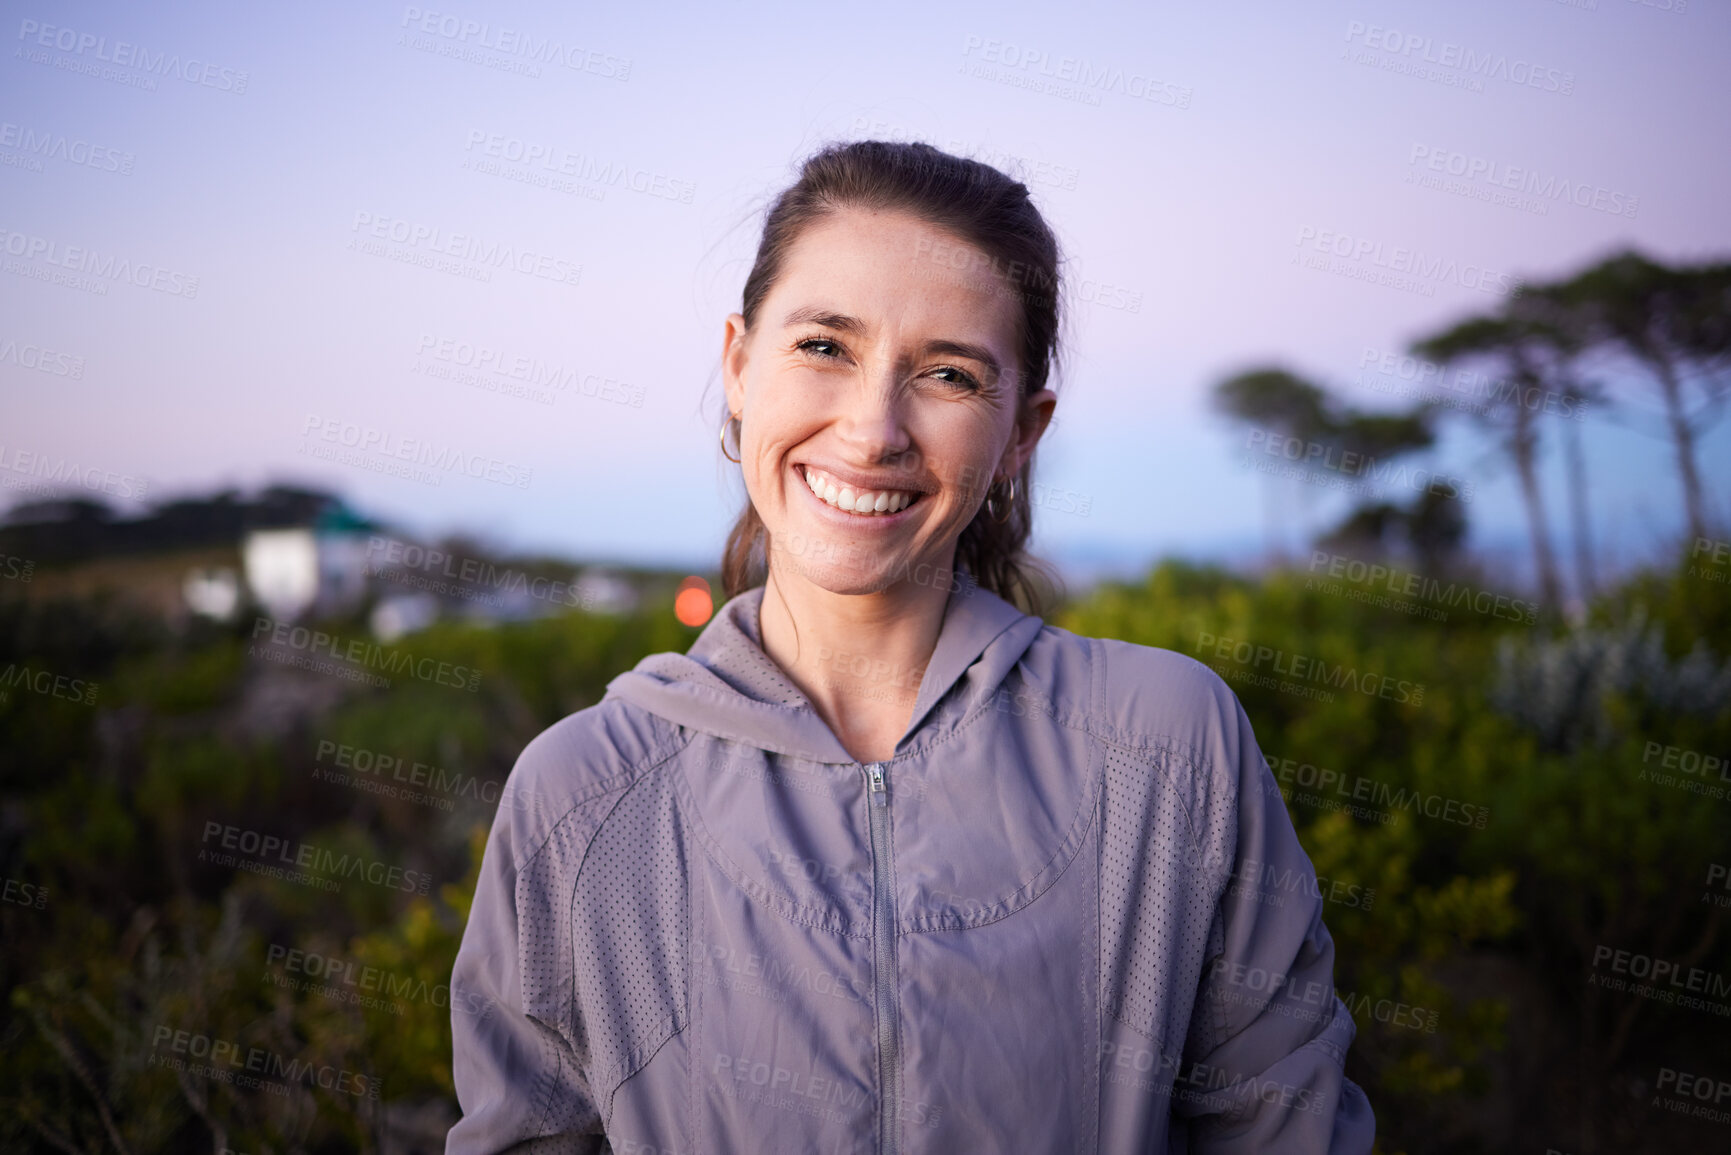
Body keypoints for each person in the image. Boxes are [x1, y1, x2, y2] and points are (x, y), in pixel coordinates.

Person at [446, 139, 1376, 1154]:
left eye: (947, 373)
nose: (873, 429)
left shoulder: (1168, 745)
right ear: (738, 365)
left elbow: (1283, 1128)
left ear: (1022, 432)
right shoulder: (582, 797)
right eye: (824, 348)